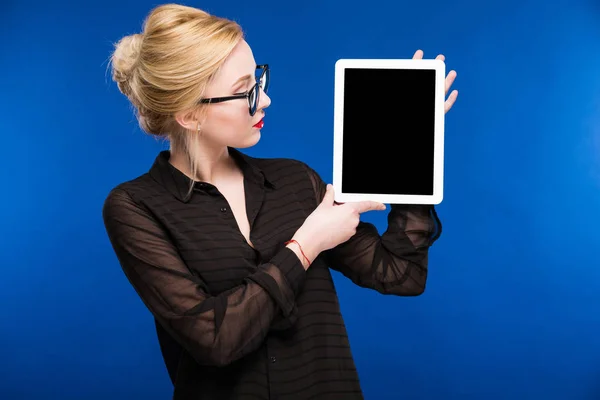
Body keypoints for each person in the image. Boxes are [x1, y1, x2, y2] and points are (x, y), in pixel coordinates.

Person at [102, 3, 458, 399]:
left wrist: (409, 152)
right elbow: (215, 340)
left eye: (259, 78)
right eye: (244, 91)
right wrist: (306, 246)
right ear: (189, 115)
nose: (265, 100)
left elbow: (401, 275)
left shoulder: (294, 181)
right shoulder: (135, 207)